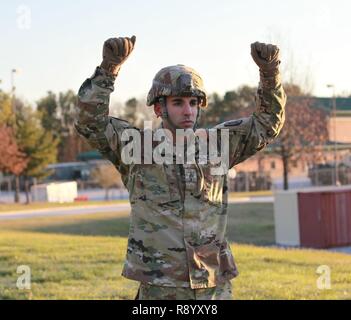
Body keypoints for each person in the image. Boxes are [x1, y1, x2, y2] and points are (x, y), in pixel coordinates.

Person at [74, 35, 286, 300]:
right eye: (178, 102)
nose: (188, 111)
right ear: (159, 108)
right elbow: (89, 122)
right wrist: (108, 69)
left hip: (212, 285)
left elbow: (266, 124)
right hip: (160, 286)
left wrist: (269, 74)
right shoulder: (135, 147)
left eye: (194, 103)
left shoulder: (219, 145)